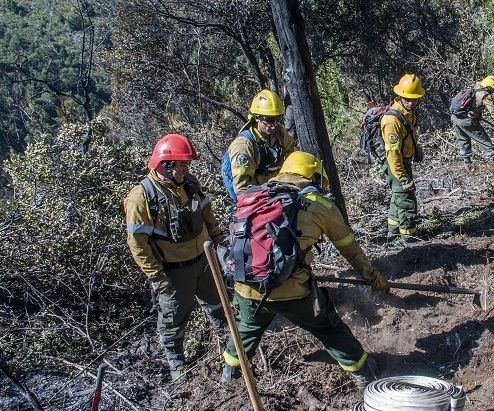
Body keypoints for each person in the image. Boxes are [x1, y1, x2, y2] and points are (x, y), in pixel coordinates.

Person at [220, 151, 390, 389]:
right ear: (314, 177)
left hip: (247, 285)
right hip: (293, 290)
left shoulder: (254, 196)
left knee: (246, 329)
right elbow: (349, 249)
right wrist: (372, 277)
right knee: (327, 327)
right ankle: (363, 371)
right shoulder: (320, 205)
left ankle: (229, 374)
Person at [123, 134, 226, 381]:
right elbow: (137, 245)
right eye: (182, 165)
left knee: (218, 305)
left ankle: (224, 340)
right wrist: (156, 277)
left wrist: (217, 236)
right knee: (173, 319)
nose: (187, 169)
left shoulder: (189, 183)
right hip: (173, 271)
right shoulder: (141, 198)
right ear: (165, 165)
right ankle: (177, 362)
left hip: (204, 260)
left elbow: (205, 211)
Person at [227, 89, 298, 196]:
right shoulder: (243, 146)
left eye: (278, 119)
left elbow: (292, 157)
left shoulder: (279, 133)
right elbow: (241, 189)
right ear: (256, 118)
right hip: (256, 199)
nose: (275, 124)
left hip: (276, 191)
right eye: (270, 120)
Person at [382, 73, 425, 241]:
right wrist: (402, 177)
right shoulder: (392, 120)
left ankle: (392, 235)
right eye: (407, 98)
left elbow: (411, 134)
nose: (411, 102)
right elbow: (393, 154)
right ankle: (409, 239)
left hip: (404, 161)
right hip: (396, 166)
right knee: (407, 202)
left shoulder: (410, 112)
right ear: (399, 95)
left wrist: (417, 149)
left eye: (414, 99)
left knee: (397, 198)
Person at [450, 75, 494, 167]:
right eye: (493, 89)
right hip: (467, 121)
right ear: (491, 87)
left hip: (455, 117)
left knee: (463, 140)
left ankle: (467, 163)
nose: (493, 92)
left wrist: (478, 115)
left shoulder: (474, 87)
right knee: (483, 139)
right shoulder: (485, 95)